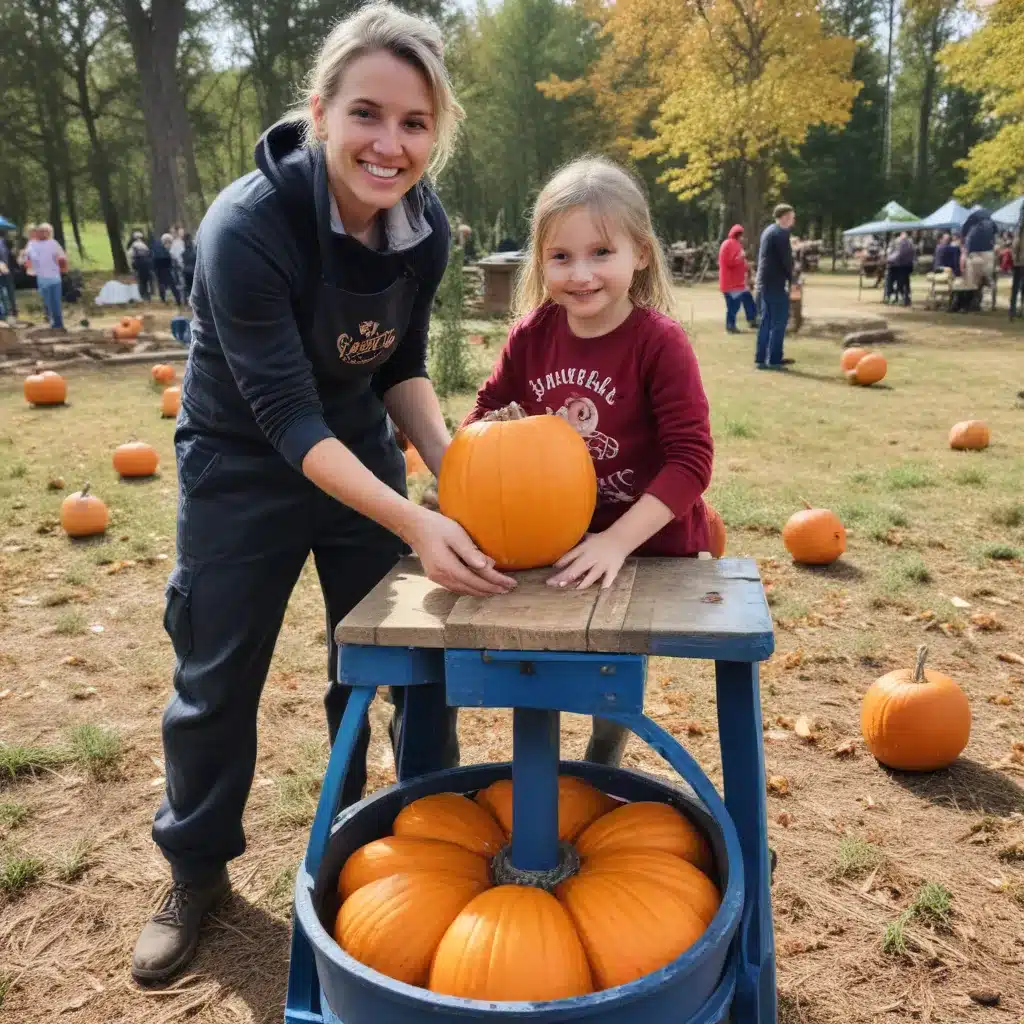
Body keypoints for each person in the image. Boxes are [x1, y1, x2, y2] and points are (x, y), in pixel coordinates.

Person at [130, 1, 516, 986]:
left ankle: (417, 839)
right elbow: (284, 416)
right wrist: (414, 520)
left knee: (398, 658)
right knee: (216, 677)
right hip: (238, 464)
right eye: (368, 115)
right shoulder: (246, 227)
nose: (390, 144)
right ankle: (196, 871)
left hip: (355, 453)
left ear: (436, 134)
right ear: (321, 112)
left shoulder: (420, 234)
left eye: (415, 123)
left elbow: (402, 369)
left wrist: (459, 470)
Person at [461, 156, 714, 767]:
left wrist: (617, 542)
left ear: (641, 254)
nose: (581, 274)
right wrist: (488, 434)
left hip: (644, 542)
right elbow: (484, 412)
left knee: (610, 665)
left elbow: (691, 458)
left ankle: (605, 749)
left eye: (601, 252)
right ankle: (542, 764)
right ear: (540, 261)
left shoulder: (659, 343)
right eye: (561, 257)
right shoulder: (532, 335)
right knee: (539, 656)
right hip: (548, 537)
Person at [754, 203, 795, 369]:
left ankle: (761, 358)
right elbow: (786, 261)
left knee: (767, 321)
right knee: (779, 321)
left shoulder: (769, 230)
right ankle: (775, 359)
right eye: (792, 216)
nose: (793, 220)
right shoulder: (781, 233)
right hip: (775, 283)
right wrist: (794, 279)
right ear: (785, 216)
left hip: (765, 282)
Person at [22, 223, 67, 330]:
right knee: (47, 302)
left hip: (54, 278)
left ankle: (59, 323)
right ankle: (53, 321)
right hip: (41, 278)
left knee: (55, 301)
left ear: (50, 233)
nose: (43, 233)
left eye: (45, 231)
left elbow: (62, 257)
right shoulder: (32, 244)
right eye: (41, 231)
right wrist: (27, 263)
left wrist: (63, 268)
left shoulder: (53, 243)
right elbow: (26, 258)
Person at [718, 224, 757, 334]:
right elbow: (730, 262)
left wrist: (747, 266)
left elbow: (740, 262)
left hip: (736, 283)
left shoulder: (734, 244)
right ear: (738, 235)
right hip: (732, 283)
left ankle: (752, 319)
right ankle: (730, 326)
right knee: (733, 305)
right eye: (742, 236)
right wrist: (741, 257)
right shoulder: (730, 244)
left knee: (748, 298)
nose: (744, 238)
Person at [152, 232, 182, 305]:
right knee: (172, 284)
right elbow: (168, 259)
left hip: (159, 269)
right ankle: (178, 300)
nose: (169, 244)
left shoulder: (157, 248)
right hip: (166, 269)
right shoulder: (164, 250)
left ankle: (164, 299)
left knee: (162, 284)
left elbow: (154, 259)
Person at [127, 230, 153, 301]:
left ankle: (142, 295)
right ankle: (147, 295)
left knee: (140, 281)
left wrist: (131, 267)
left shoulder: (134, 246)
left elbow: (129, 255)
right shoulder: (145, 246)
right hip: (146, 266)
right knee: (146, 281)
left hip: (137, 266)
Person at [0, 229, 17, 319]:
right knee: (3, 293)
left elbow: (12, 256)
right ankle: (5, 314)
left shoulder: (7, 242)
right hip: (2, 271)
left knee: (10, 292)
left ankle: (13, 311)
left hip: (9, 271)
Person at [1010, 210, 1024, 322]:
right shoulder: (1019, 233)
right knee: (1019, 288)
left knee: (1016, 289)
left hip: (1019, 264)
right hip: (1019, 263)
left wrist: (1015, 260)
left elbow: (1014, 248)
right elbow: (1015, 248)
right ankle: (1016, 310)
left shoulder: (1019, 232)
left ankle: (1013, 311)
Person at [180, 232, 197, 302]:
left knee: (187, 287)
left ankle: (187, 300)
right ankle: (193, 300)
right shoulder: (194, 248)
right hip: (193, 270)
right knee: (194, 286)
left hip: (186, 270)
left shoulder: (183, 249)